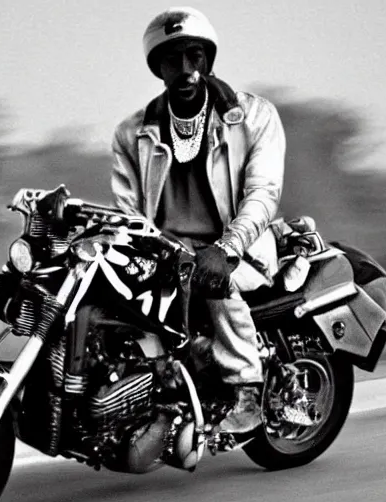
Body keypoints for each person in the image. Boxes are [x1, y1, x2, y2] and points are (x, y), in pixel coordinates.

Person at [111, 7, 286, 433]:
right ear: (158, 67)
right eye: (173, 59)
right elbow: (127, 211)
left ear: (207, 59)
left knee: (207, 278)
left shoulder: (253, 117)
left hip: (237, 253)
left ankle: (247, 388)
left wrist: (225, 249)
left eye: (195, 56)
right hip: (166, 255)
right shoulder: (132, 132)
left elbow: (262, 195)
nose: (186, 70)